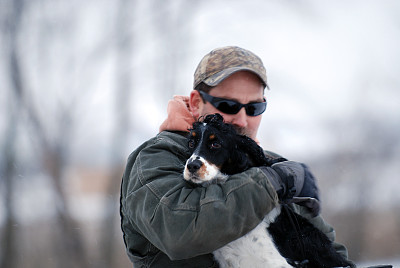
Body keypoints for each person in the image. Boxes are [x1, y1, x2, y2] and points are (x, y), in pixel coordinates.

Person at [120, 46, 350, 267]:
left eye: (253, 109)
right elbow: (178, 229)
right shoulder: (157, 156)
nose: (242, 120)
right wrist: (269, 182)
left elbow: (327, 249)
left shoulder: (273, 164)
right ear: (196, 103)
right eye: (228, 105)